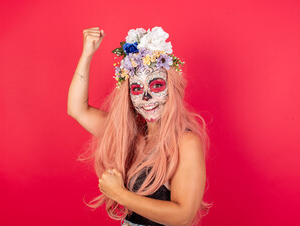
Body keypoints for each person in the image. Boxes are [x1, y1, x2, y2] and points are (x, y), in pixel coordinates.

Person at [67, 26, 213, 226]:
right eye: (136, 88)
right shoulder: (132, 135)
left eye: (156, 86)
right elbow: (77, 109)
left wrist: (119, 194)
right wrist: (87, 54)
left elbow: (183, 216)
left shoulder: (186, 142)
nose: (146, 97)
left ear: (172, 88)